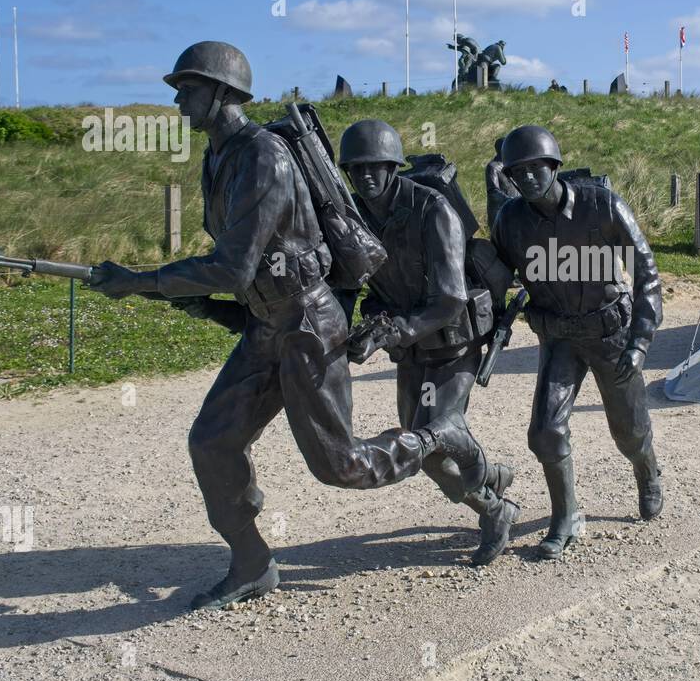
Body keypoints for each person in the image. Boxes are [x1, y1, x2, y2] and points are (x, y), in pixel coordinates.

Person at [88, 42, 485, 609]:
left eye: (188, 89)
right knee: (212, 440)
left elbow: (231, 265)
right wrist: (198, 299)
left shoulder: (263, 157)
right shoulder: (217, 156)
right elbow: (238, 262)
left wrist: (142, 279)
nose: (177, 100)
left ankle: (434, 435)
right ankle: (252, 562)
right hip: (266, 323)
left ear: (224, 93)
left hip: (307, 324)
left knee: (341, 466)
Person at [335, 120, 518, 566]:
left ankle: (497, 512)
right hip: (412, 351)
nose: (366, 177)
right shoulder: (354, 216)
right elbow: (347, 281)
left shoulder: (432, 209)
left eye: (376, 167)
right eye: (356, 170)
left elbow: (451, 297)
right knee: (421, 446)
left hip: (454, 346)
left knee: (428, 445)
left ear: (394, 166)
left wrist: (391, 330)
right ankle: (490, 473)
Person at [489, 125, 665, 559]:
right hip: (559, 339)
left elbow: (647, 275)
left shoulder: (600, 205)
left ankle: (647, 470)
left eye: (536, 168)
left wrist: (639, 342)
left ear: (554, 166)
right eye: (519, 172)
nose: (528, 178)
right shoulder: (510, 222)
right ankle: (566, 516)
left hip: (612, 335)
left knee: (628, 431)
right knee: (545, 431)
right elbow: (496, 282)